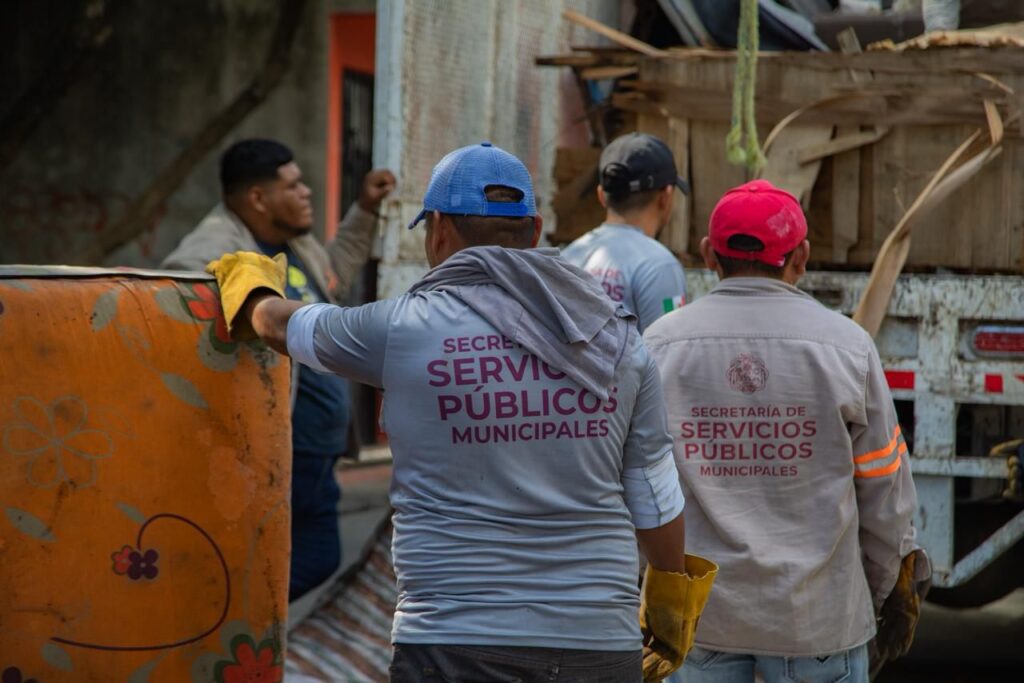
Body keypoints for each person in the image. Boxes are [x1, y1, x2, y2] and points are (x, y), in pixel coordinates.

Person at [205, 141, 717, 682]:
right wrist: (669, 606)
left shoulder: (400, 329)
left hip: (451, 644)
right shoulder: (616, 339)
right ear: (535, 231)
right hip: (597, 642)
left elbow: (283, 326)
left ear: (439, 231)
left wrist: (252, 287)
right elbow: (654, 493)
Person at [644, 180, 930, 683]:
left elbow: (634, 482)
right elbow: (884, 489)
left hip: (700, 621)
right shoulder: (847, 347)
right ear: (801, 258)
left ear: (709, 255)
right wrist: (888, 590)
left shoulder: (659, 346)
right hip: (816, 622)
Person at [162, 138, 396, 601]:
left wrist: (365, 209)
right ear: (258, 197)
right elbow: (177, 309)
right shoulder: (210, 251)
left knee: (293, 560)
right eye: (293, 185)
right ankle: (222, 626)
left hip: (314, 454)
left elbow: (332, 278)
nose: (306, 192)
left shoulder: (293, 242)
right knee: (297, 559)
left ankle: (233, 629)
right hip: (269, 453)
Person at [561, 133, 689, 333]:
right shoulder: (659, 266)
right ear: (666, 197)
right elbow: (670, 346)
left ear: (601, 196)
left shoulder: (567, 257)